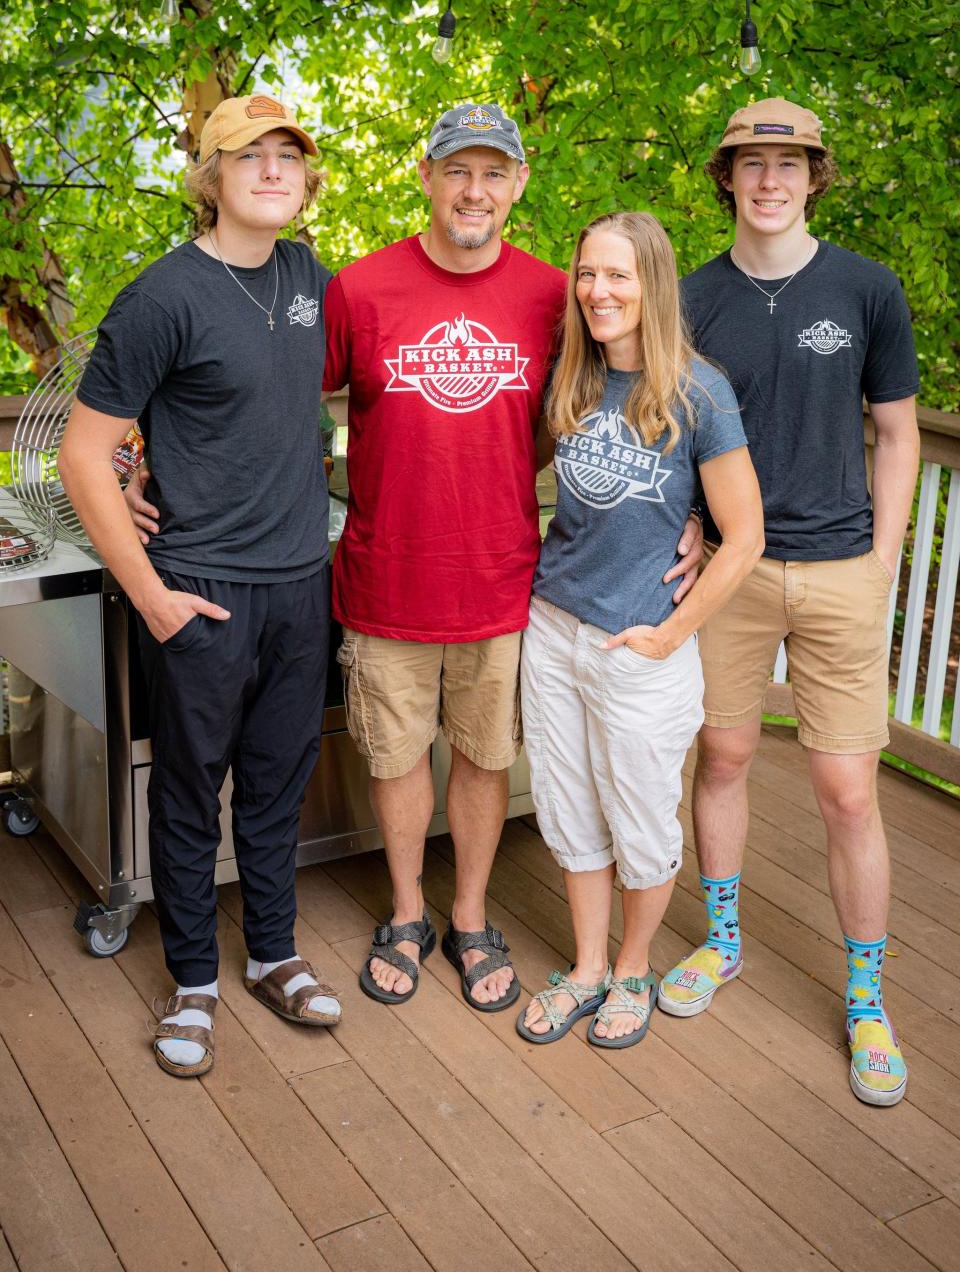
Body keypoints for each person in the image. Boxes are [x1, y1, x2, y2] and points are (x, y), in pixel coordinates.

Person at [321, 105, 705, 1011]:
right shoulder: (360, 289)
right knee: (395, 757)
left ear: (519, 186)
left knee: (486, 758)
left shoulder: (551, 296)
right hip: (387, 574)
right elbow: (273, 398)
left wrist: (699, 517)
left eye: (494, 173)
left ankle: (468, 916)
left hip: (502, 581)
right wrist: (149, 459)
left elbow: (634, 397)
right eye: (458, 171)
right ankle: (407, 912)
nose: (475, 190)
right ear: (426, 176)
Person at [59, 94, 342, 1078]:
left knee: (276, 785)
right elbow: (82, 454)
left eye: (287, 156)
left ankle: (272, 955)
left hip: (301, 585)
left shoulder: (310, 278)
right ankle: (191, 984)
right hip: (201, 591)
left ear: (305, 179)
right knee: (190, 794)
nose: (271, 170)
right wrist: (152, 594)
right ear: (210, 179)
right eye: (247, 156)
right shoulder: (163, 297)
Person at [659, 98, 921, 1107]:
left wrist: (884, 561)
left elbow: (895, 433)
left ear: (817, 176)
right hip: (729, 571)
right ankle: (722, 942)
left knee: (849, 793)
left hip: (843, 571)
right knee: (721, 756)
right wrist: (685, 514)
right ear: (725, 177)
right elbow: (667, 425)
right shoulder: (689, 300)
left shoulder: (867, 289)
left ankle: (867, 997)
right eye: (751, 163)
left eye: (789, 163)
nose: (769, 179)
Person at [516, 211, 763, 1048]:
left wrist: (669, 634)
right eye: (587, 273)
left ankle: (632, 969)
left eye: (618, 275)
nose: (598, 290)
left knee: (641, 820)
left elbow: (746, 536)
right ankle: (586, 970)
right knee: (568, 806)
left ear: (652, 283)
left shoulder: (699, 391)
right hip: (553, 628)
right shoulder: (574, 381)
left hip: (640, 648)